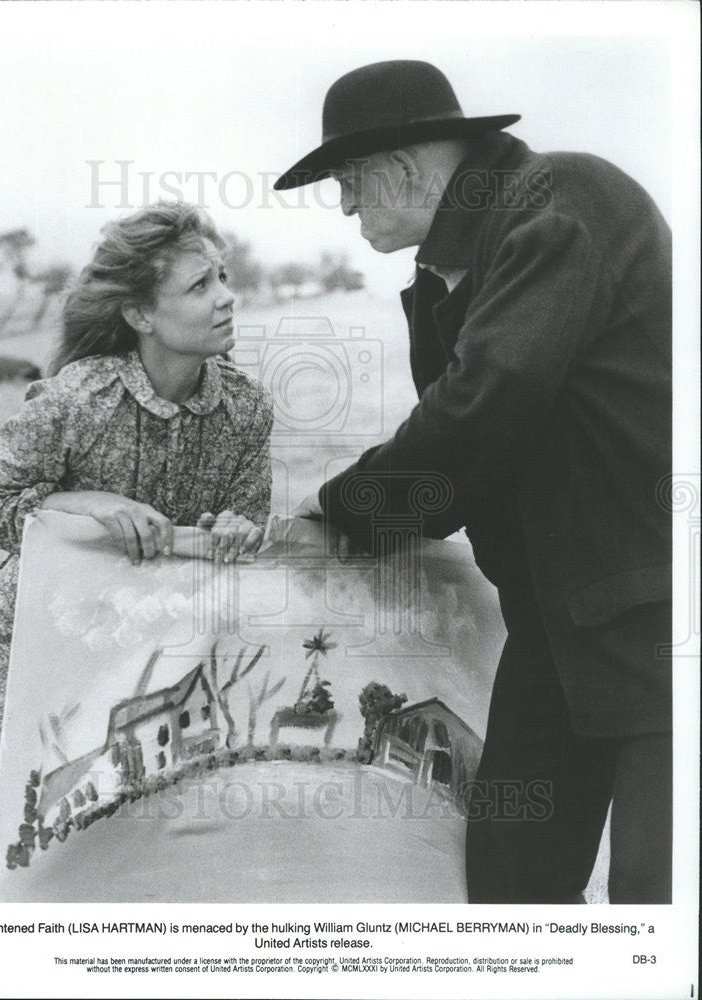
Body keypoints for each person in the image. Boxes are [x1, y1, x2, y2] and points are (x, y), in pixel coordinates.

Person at [280, 60, 672, 903]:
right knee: (507, 891)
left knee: (659, 894)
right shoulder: (445, 275)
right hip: (557, 632)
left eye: (347, 181)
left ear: (408, 165)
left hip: (664, 622)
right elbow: (461, 470)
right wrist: (354, 521)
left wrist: (334, 502)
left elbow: (483, 409)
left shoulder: (562, 198)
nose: (345, 206)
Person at [0, 201, 273, 897]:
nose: (227, 297)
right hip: (41, 649)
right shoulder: (74, 400)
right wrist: (87, 505)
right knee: (18, 833)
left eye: (223, 277)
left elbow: (251, 525)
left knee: (146, 841)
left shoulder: (247, 408)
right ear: (139, 314)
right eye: (200, 286)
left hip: (166, 655)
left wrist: (237, 530)